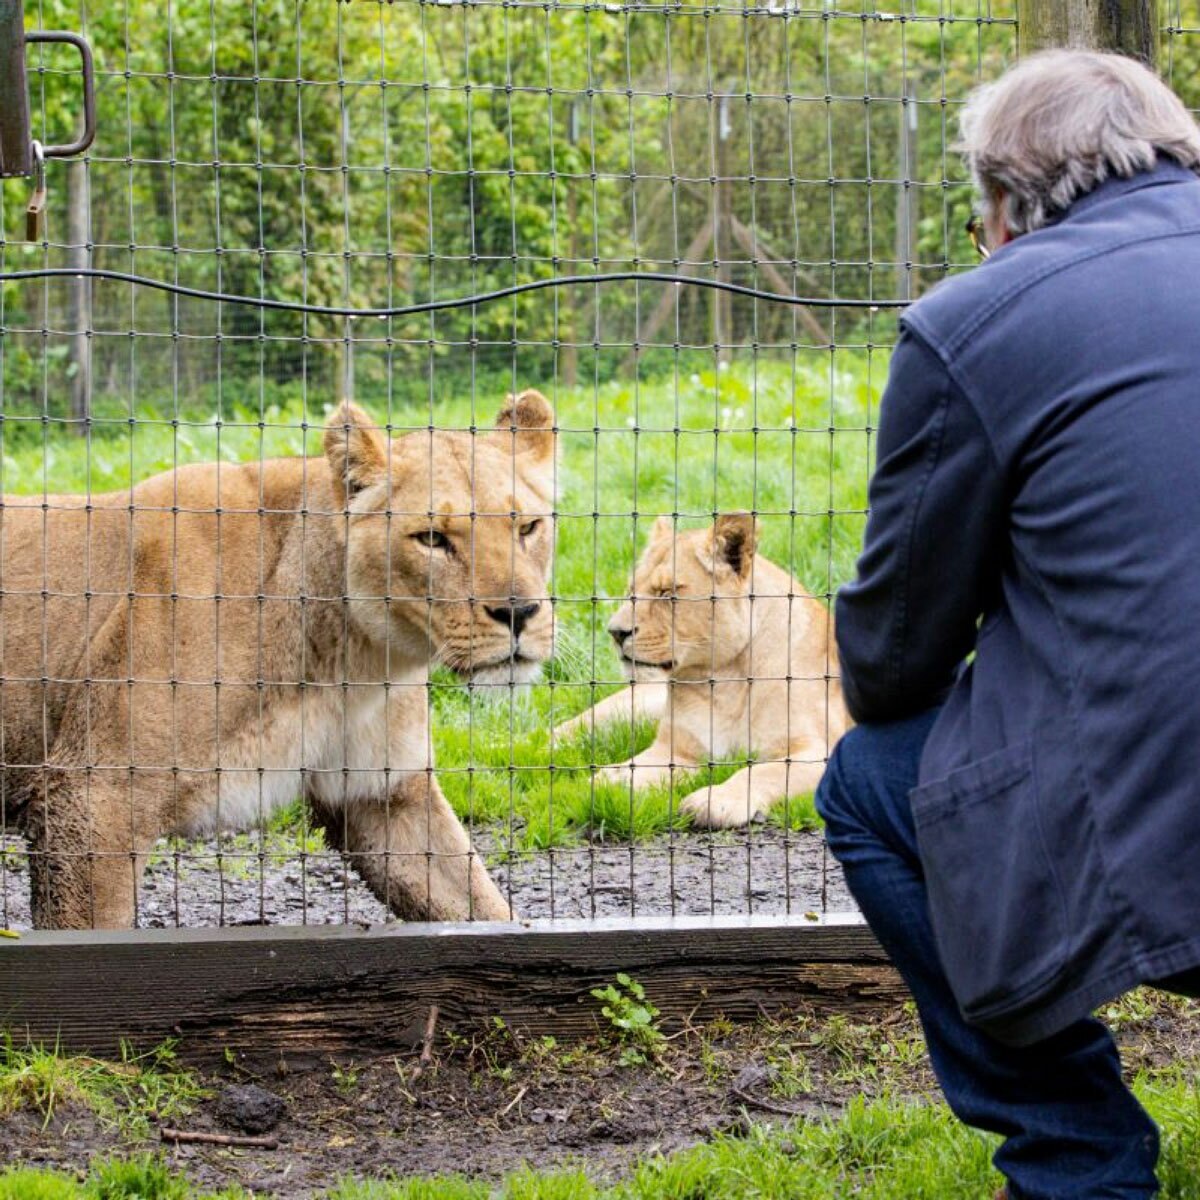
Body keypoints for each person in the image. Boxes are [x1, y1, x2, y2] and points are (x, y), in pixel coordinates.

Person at [815, 50, 1200, 1199]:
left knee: (870, 784)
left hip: (1174, 860)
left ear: (1001, 203)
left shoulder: (978, 322)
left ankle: (1076, 1157)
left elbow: (892, 663)